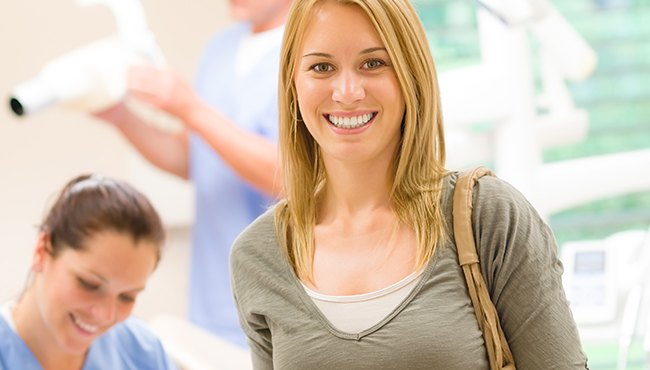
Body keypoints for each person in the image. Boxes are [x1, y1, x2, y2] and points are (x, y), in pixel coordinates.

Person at [230, 0, 589, 369]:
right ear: (293, 84)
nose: (348, 92)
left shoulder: (488, 218)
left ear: (410, 74)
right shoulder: (259, 255)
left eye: (373, 63)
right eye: (322, 67)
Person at [93, 0, 293, 347]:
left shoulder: (312, 52)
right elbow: (194, 159)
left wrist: (190, 107)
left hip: (279, 305)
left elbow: (293, 178)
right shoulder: (220, 49)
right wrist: (120, 116)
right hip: (213, 301)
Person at [0, 174, 177, 370]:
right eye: (89, 285)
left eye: (127, 297)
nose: (105, 315)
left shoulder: (142, 352)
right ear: (42, 251)